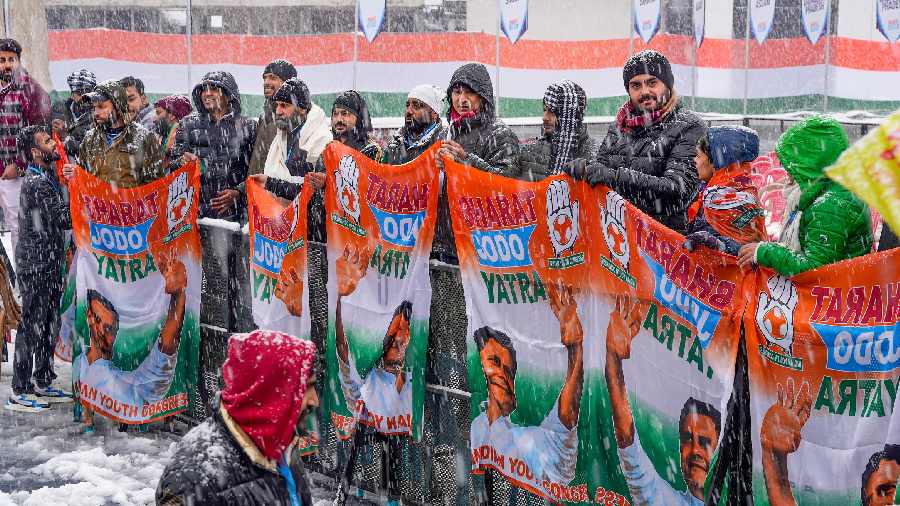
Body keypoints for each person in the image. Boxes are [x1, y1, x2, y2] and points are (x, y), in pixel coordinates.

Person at [156, 330, 318, 506]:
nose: (315, 400)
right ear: (271, 391)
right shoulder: (193, 481)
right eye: (306, 388)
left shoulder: (282, 444)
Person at [566, 50, 704, 234]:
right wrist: (585, 169)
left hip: (660, 242)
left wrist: (613, 178)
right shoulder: (619, 127)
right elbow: (601, 173)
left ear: (667, 85)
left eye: (652, 82)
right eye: (636, 85)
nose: (645, 91)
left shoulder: (689, 126)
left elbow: (677, 192)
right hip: (615, 238)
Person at [469, 281, 584, 489]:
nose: (501, 374)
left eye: (508, 369)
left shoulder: (538, 439)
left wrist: (575, 347)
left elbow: (567, 412)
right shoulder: (479, 425)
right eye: (494, 362)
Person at [737, 116, 873, 275]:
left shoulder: (831, 205)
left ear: (809, 163)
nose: (787, 171)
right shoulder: (829, 191)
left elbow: (815, 270)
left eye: (791, 164)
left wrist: (765, 252)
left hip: (836, 288)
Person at [76, 252, 186, 432]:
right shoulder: (82, 363)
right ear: (89, 316)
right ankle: (87, 418)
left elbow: (161, 363)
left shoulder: (131, 384)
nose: (102, 331)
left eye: (109, 328)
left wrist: (178, 296)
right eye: (98, 320)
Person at [5, 125, 71, 413]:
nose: (54, 144)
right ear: (35, 152)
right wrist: (82, 192)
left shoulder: (47, 175)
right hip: (36, 264)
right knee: (31, 326)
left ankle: (43, 379)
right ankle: (19, 390)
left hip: (50, 261)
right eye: (47, 141)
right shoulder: (35, 183)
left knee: (48, 324)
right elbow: (64, 219)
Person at [434, 63, 519, 263]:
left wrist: (465, 162)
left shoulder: (500, 134)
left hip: (482, 247)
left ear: (483, 96)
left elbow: (507, 185)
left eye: (470, 92)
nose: (462, 99)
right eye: (457, 92)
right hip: (443, 243)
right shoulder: (444, 133)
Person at [331, 243, 413, 432]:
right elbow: (343, 348)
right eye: (394, 340)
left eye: (404, 340)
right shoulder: (370, 379)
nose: (399, 344)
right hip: (367, 437)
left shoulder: (418, 377)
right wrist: (339, 296)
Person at [172, 71, 257, 221]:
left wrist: (239, 192)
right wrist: (181, 162)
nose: (207, 93)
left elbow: (257, 170)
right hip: (192, 211)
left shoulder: (248, 127)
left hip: (234, 215)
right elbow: (170, 166)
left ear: (228, 95)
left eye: (214, 89)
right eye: (204, 89)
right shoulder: (187, 124)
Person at [0, 38, 51, 258]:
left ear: (19, 61)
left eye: (11, 59)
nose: (7, 65)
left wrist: (20, 165)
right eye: (2, 60)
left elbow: (40, 134)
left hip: (18, 174)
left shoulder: (30, 89)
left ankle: (24, 273)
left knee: (19, 227)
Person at [66, 79, 165, 188]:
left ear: (118, 107)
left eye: (101, 107)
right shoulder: (90, 138)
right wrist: (75, 174)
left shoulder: (143, 137)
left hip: (131, 199)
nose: (96, 113)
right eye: (94, 108)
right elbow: (83, 176)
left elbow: (155, 186)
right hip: (96, 199)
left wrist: (127, 196)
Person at [684, 126, 767, 255]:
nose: (694, 161)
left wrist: (719, 245)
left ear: (716, 161)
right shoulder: (705, 190)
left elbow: (749, 249)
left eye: (698, 156)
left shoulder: (734, 199)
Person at [516, 79, 598, 181]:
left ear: (569, 116)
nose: (544, 117)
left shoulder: (594, 156)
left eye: (552, 111)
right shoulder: (531, 151)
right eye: (544, 110)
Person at [249, 59, 298, 176]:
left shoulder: (296, 115)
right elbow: (258, 159)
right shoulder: (265, 116)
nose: (266, 82)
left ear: (287, 82)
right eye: (265, 78)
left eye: (272, 77)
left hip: (279, 185)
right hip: (257, 184)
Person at [381, 84, 446, 165]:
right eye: (407, 105)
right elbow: (382, 172)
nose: (409, 111)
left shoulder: (444, 145)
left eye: (416, 106)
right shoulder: (395, 145)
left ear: (434, 113)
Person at [60, 68, 96, 160]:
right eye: (78, 93)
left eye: (86, 93)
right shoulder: (67, 107)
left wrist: (68, 143)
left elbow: (92, 147)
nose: (72, 96)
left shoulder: (97, 114)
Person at [152, 94, 192, 167]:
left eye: (158, 113)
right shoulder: (166, 136)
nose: (154, 119)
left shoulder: (179, 138)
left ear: (172, 115)